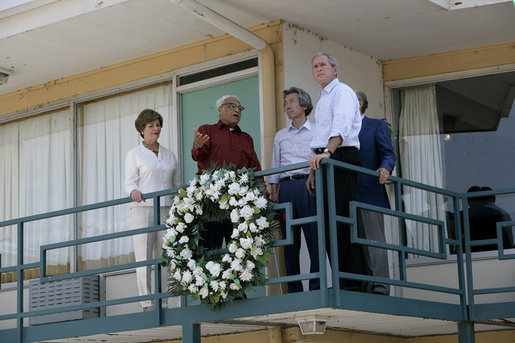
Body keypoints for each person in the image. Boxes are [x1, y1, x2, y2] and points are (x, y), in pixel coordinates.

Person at [306, 52, 364, 291]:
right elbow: (319, 136)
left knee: (342, 221)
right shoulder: (323, 98)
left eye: (323, 65)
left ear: (335, 69)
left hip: (339, 155)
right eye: (315, 66)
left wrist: (328, 153)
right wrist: (313, 170)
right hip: (324, 158)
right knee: (328, 224)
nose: (319, 69)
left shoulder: (343, 92)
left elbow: (341, 126)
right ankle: (342, 281)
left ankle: (355, 284)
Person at [124, 109, 181, 311]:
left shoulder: (169, 154)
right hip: (143, 208)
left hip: (166, 208)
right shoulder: (134, 154)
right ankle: (147, 302)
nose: (156, 129)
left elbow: (177, 185)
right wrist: (134, 192)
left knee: (164, 257)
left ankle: (163, 301)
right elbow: (129, 183)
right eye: (151, 126)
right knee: (144, 257)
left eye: (158, 125)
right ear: (142, 129)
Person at [191, 95, 262, 251]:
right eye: (231, 106)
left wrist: (262, 189)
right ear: (220, 110)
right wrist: (198, 146)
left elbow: (255, 166)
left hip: (240, 202)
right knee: (210, 249)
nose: (237, 110)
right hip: (213, 202)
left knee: (240, 250)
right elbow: (198, 157)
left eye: (239, 108)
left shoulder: (246, 138)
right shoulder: (207, 130)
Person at [269, 87, 319, 293]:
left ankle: (317, 286)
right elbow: (275, 164)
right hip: (286, 188)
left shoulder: (317, 131)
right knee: (289, 242)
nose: (287, 106)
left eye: (291, 101)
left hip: (309, 186)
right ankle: (294, 289)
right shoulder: (280, 136)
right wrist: (273, 190)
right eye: (285, 103)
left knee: (314, 237)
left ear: (304, 106)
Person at [355, 91, 396, 295]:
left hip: (369, 192)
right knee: (352, 244)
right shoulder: (341, 130)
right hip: (345, 194)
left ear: (360, 103)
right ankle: (360, 286)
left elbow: (388, 153)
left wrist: (386, 168)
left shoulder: (376, 125)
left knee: (374, 242)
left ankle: (380, 287)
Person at [466, 186, 513, 252]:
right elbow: (506, 237)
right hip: (497, 250)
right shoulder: (501, 212)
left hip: (476, 251)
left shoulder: (465, 214)